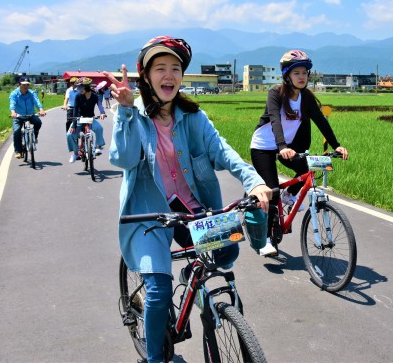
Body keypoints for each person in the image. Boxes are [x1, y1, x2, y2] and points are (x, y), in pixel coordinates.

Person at [104, 36, 272, 363]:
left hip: (190, 208)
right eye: (160, 68)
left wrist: (254, 182)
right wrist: (124, 110)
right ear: (147, 76)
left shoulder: (194, 117)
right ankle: (156, 358)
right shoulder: (132, 114)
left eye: (176, 68)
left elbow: (223, 152)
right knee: (158, 291)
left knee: (227, 250)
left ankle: (188, 276)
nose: (169, 75)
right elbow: (122, 160)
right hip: (148, 216)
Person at [250, 50, 349, 256]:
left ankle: (289, 194)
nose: (302, 77)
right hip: (264, 146)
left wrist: (336, 145)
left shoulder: (305, 98)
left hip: (286, 146)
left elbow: (321, 121)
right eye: (297, 73)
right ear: (287, 75)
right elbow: (275, 120)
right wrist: (282, 147)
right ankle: (266, 238)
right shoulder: (275, 94)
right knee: (271, 190)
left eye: (305, 72)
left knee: (307, 169)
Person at [66, 77, 107, 163]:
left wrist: (102, 113)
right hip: (79, 119)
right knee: (70, 134)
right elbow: (75, 111)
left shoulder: (95, 96)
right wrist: (73, 125)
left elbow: (100, 105)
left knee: (99, 128)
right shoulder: (78, 96)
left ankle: (98, 147)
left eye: (81, 87)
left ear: (87, 87)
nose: (78, 89)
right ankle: (76, 153)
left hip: (90, 119)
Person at [9, 76, 46, 159]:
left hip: (30, 115)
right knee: (16, 131)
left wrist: (41, 109)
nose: (26, 86)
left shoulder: (31, 93)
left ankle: (34, 137)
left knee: (38, 122)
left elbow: (37, 101)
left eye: (27, 85)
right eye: (24, 85)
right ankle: (18, 151)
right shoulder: (14, 94)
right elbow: (12, 104)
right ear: (19, 85)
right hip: (18, 116)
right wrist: (13, 112)